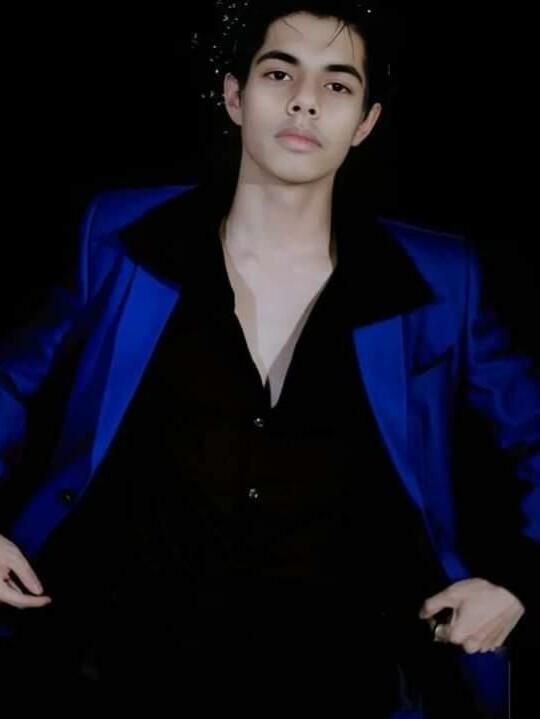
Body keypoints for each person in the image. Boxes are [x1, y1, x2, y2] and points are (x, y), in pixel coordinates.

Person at [0, 2, 538, 715]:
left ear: (365, 123)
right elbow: (11, 383)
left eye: (337, 85)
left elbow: (533, 434)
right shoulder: (119, 236)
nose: (305, 100)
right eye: (280, 73)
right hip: (118, 671)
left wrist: (519, 581)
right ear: (234, 96)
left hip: (349, 683)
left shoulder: (441, 279)